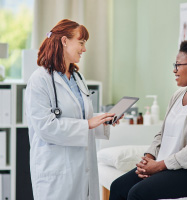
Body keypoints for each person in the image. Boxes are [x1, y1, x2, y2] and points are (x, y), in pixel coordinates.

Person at [109, 40, 187, 200]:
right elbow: (162, 133)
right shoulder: (178, 95)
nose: (174, 70)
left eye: (178, 65)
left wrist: (159, 166)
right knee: (118, 187)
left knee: (137, 193)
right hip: (172, 165)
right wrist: (149, 158)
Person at [25, 19, 118, 200]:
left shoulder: (77, 77)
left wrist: (102, 120)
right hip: (56, 172)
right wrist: (87, 125)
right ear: (64, 41)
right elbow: (45, 127)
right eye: (81, 43)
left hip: (82, 169)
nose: (84, 49)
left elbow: (82, 118)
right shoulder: (40, 80)